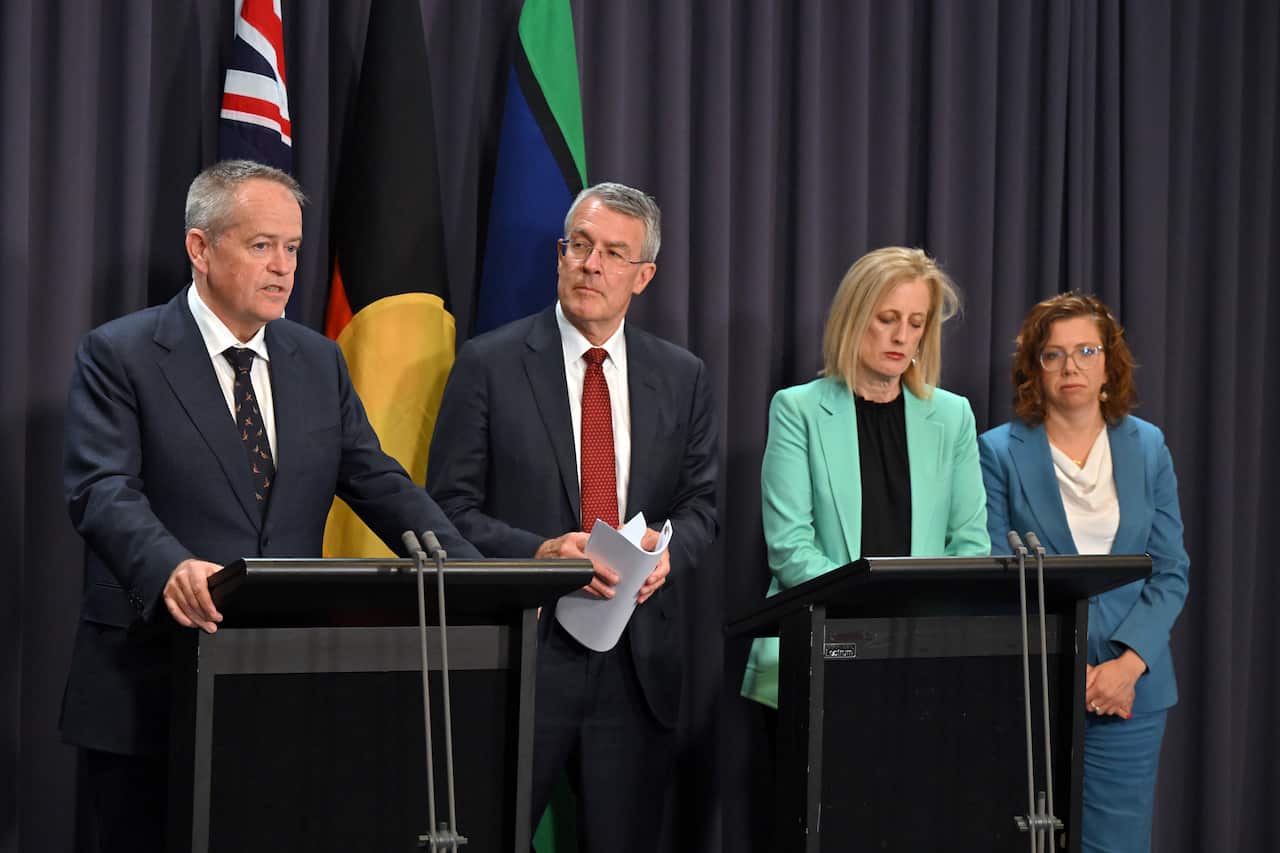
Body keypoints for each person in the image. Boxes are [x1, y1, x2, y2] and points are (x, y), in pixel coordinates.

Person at [61, 159, 480, 853]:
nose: (283, 266)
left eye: (292, 247)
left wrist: (469, 573)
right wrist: (169, 566)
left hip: (281, 684)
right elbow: (101, 489)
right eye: (261, 245)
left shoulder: (316, 360)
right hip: (150, 684)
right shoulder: (121, 353)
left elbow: (378, 480)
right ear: (200, 248)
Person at [426, 182, 718, 852]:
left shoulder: (683, 376)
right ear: (559, 254)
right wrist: (538, 555)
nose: (591, 264)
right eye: (580, 245)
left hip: (635, 663)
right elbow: (448, 507)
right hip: (523, 657)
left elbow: (702, 505)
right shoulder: (489, 363)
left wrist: (668, 551)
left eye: (614, 253)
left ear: (642, 275)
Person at [979, 292, 1189, 853]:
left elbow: (1171, 572)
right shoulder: (997, 451)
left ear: (1108, 364)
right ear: (1034, 368)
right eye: (1053, 355)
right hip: (1032, 688)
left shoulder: (1148, 448)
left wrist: (1128, 664)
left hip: (1130, 690)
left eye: (1086, 351)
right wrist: (1064, 668)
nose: (1070, 366)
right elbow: (998, 575)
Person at [741, 246, 990, 708]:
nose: (902, 336)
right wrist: (874, 617)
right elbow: (791, 549)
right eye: (887, 318)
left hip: (921, 657)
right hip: (819, 648)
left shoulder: (953, 416)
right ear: (854, 318)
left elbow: (970, 545)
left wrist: (911, 625)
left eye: (916, 324)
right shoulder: (798, 410)